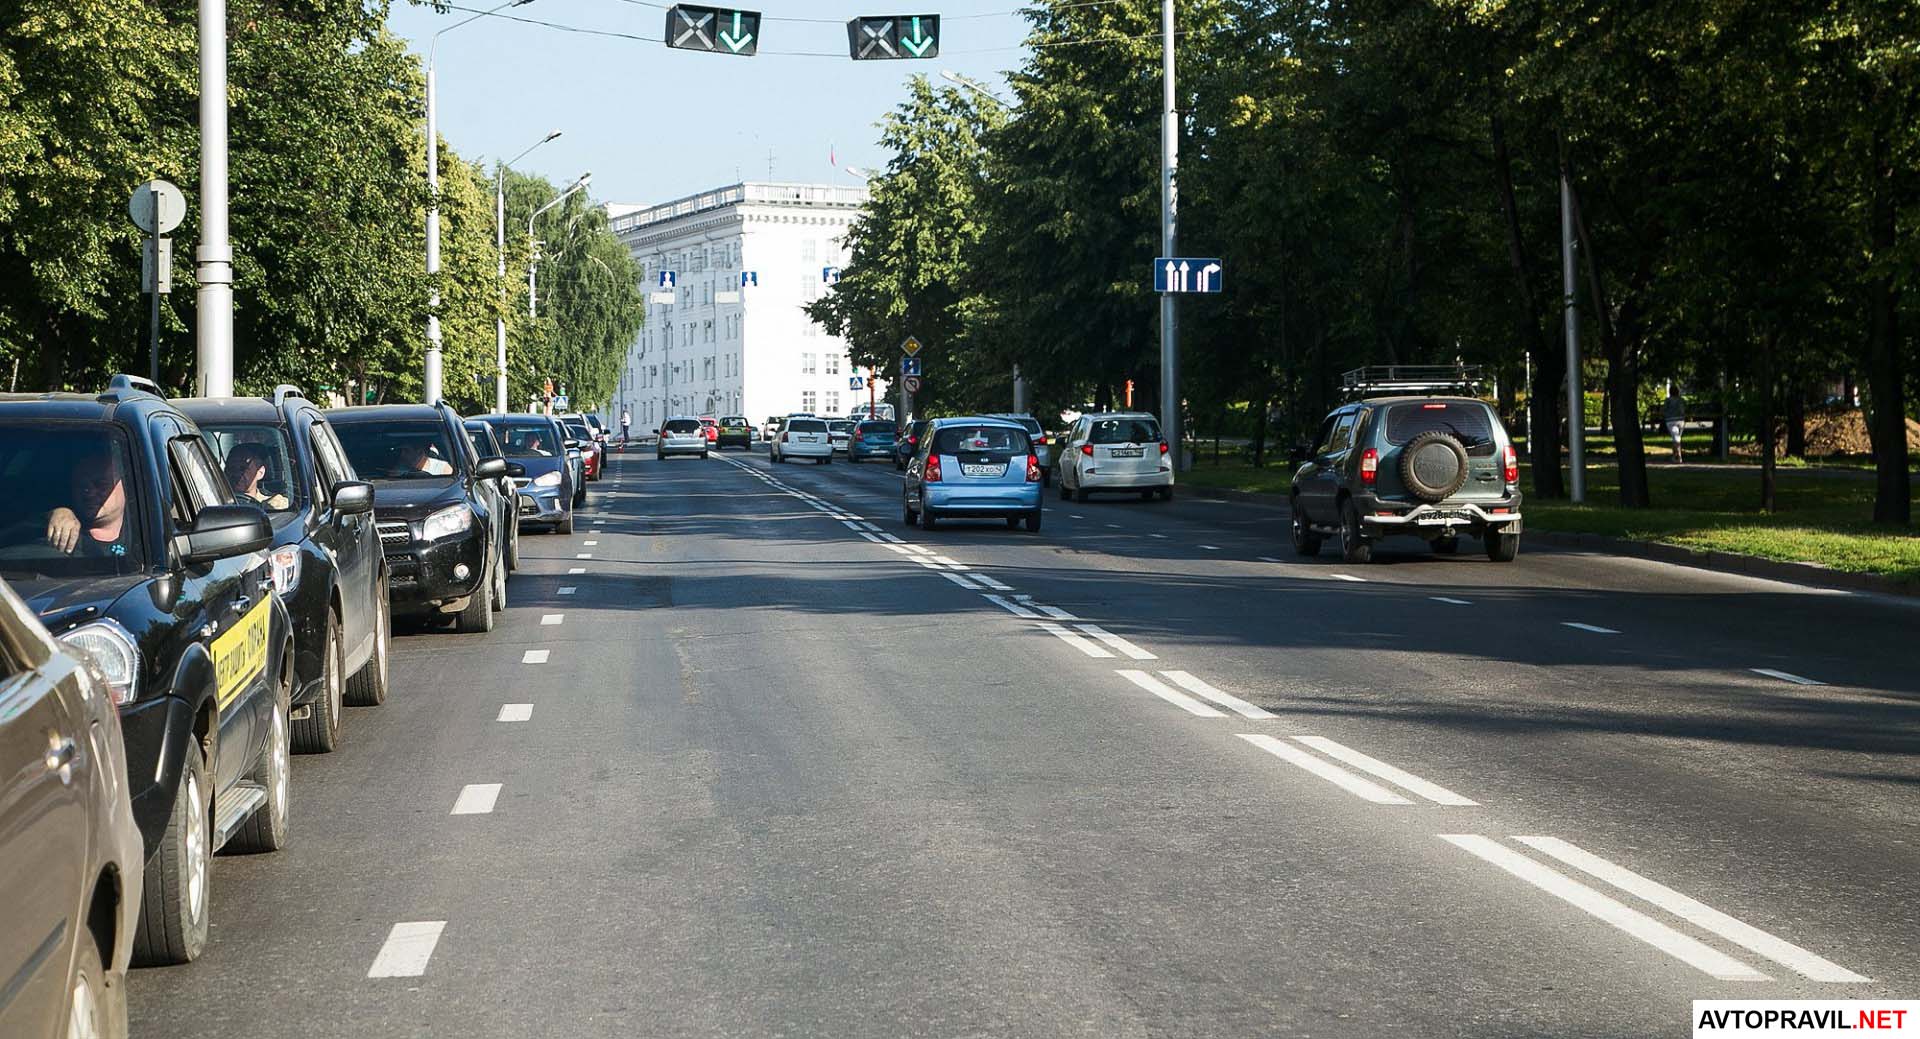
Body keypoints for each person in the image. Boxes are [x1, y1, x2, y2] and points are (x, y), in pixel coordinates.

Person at [45, 447, 134, 558]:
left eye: (101, 484)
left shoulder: (148, 525)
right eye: (82, 486)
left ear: (125, 485)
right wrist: (54, 514)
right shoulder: (61, 536)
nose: (89, 493)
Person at [223, 443, 290, 510]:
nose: (236, 474)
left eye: (243, 468)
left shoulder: (275, 503)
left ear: (260, 473)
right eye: (231, 468)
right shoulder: (216, 501)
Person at [1663, 386, 1686, 462]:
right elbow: (1685, 409)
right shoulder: (1681, 400)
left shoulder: (1668, 400)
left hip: (1670, 421)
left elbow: (1664, 410)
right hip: (1681, 421)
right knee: (1676, 438)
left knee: (1676, 439)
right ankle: (1675, 457)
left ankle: (1678, 456)